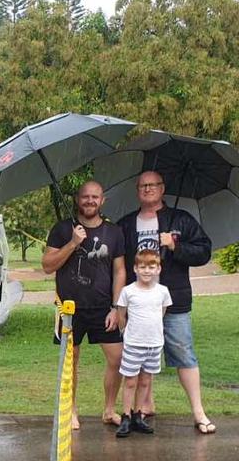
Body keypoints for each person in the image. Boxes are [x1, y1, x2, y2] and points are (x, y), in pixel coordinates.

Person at [115, 171, 215, 434]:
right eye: (143, 185)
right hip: (137, 305)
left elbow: (204, 251)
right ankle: (144, 406)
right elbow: (118, 264)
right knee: (141, 358)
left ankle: (199, 412)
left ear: (163, 188)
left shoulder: (180, 220)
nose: (148, 189)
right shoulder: (125, 224)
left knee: (184, 353)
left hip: (173, 301)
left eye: (153, 185)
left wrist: (175, 246)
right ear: (137, 190)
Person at [42, 180, 125, 429]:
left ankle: (109, 410)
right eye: (85, 196)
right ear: (78, 199)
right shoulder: (62, 229)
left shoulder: (114, 232)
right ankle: (72, 411)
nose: (90, 201)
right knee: (71, 362)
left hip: (103, 307)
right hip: (69, 309)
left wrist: (117, 307)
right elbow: (47, 265)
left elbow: (119, 271)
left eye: (95, 197)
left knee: (118, 358)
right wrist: (73, 243)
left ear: (102, 201)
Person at [115, 249, 172, 438]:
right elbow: (121, 316)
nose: (147, 271)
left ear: (158, 269)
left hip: (154, 343)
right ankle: (126, 415)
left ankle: (139, 415)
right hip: (133, 343)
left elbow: (161, 313)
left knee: (146, 381)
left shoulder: (162, 291)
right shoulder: (128, 291)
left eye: (151, 267)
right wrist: (127, 334)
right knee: (130, 381)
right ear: (135, 268)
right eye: (142, 267)